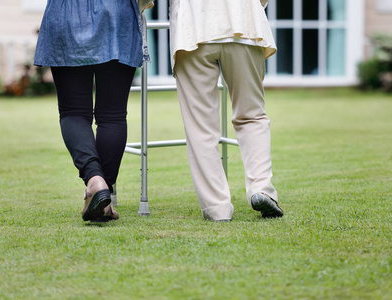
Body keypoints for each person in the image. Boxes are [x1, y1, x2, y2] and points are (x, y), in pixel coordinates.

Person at [34, 0, 154, 222]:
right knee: (113, 116)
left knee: (73, 112)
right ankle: (102, 192)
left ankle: (94, 182)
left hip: (65, 13)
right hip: (117, 14)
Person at [169, 0, 284, 221]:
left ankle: (217, 207)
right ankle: (261, 188)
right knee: (252, 115)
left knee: (201, 128)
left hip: (192, 29)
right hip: (243, 22)